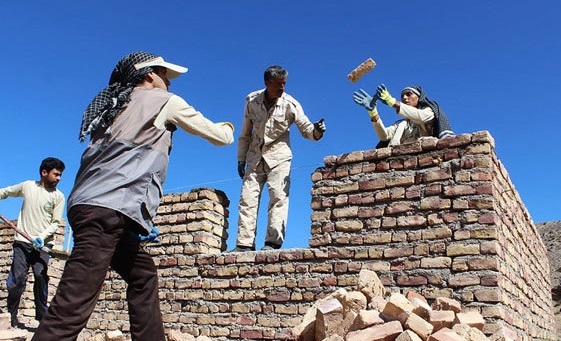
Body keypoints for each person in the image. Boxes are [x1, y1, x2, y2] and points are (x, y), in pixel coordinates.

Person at [32, 52, 234, 341]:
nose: (169, 83)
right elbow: (219, 136)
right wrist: (229, 127)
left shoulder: (112, 108)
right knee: (74, 301)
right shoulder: (164, 102)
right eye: (165, 76)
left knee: (142, 274)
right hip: (107, 211)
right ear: (149, 74)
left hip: (90, 207)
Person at [230, 65, 326, 252]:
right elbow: (245, 132)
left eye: (284, 83)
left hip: (279, 157)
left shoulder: (290, 103)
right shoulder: (251, 100)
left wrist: (317, 131)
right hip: (255, 157)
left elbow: (306, 128)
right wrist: (241, 158)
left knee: (278, 197)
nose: (282, 88)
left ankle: (272, 243)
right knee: (247, 199)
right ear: (267, 83)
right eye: (278, 84)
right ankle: (244, 244)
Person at [0, 157, 66, 328]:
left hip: (43, 245)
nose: (59, 178)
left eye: (60, 175)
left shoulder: (58, 197)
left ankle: (41, 317)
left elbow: (56, 222)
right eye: (56, 174)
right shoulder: (28, 186)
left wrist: (42, 237)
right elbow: (6, 192)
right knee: (17, 280)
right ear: (44, 173)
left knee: (40, 276)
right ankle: (11, 316)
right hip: (22, 242)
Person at [353, 84, 454, 148]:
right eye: (402, 96)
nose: (405, 98)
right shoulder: (401, 124)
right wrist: (373, 113)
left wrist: (392, 102)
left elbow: (421, 116)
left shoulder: (430, 111)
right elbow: (384, 136)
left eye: (409, 94)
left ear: (418, 98)